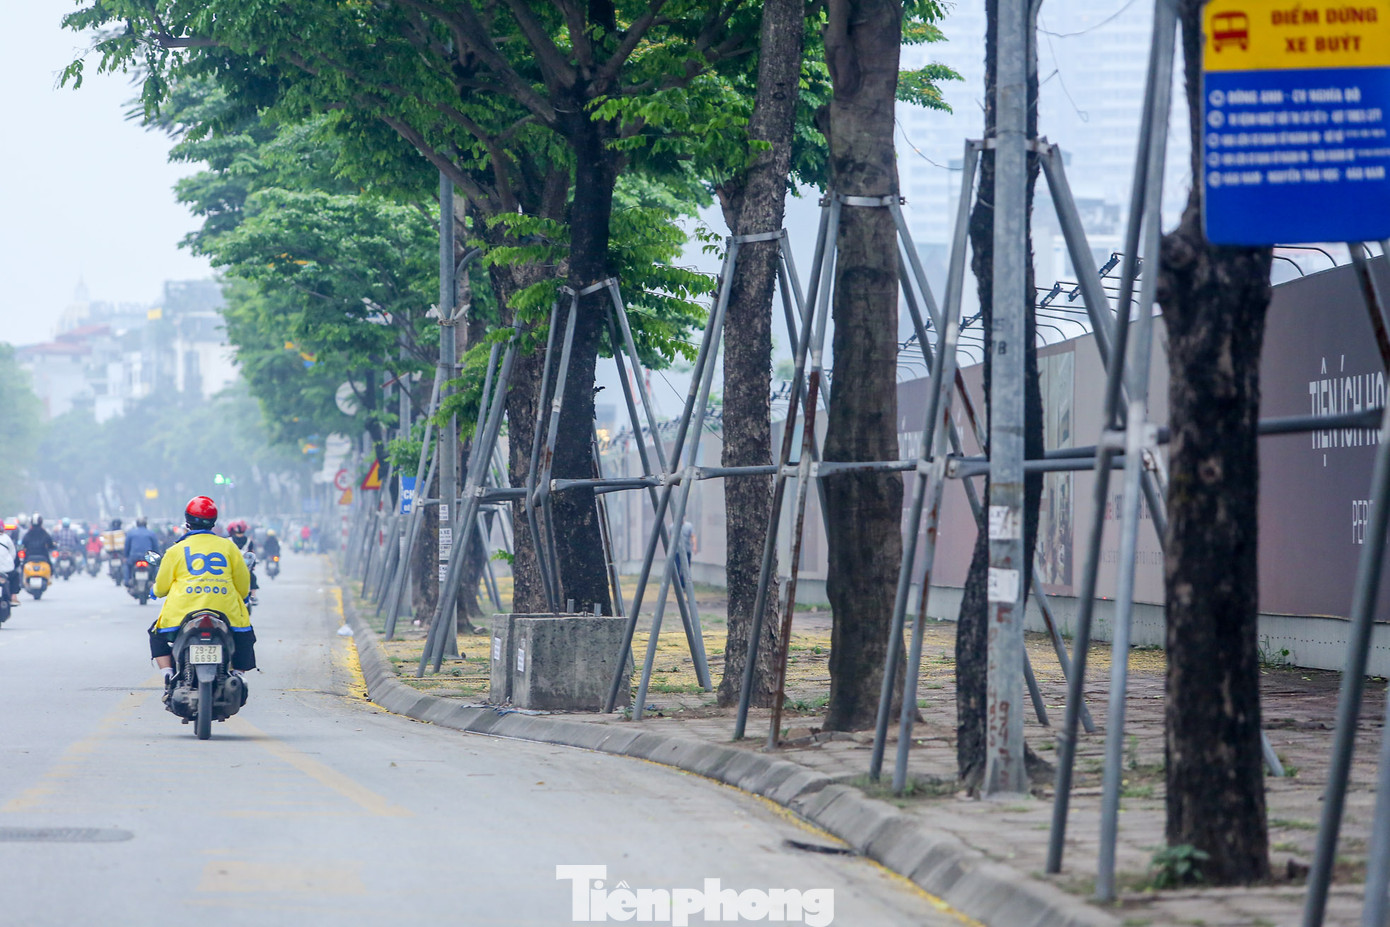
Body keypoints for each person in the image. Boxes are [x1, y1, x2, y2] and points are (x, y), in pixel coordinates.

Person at [150, 496, 256, 695]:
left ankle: (167, 672)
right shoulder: (229, 547)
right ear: (214, 520)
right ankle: (240, 675)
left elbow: (162, 587)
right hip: (226, 612)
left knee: (156, 635)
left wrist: (154, 592)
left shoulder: (175, 550)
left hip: (182, 613)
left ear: (187, 519)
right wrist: (243, 597)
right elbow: (243, 586)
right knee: (245, 636)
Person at [228, 520, 259, 605]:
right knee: (252, 577)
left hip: (231, 567)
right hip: (244, 567)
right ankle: (253, 596)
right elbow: (252, 553)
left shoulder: (228, 540)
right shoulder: (249, 541)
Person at [123, 516, 162, 583]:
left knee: (127, 565)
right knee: (156, 566)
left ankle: (127, 581)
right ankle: (156, 582)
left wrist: (126, 557)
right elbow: (156, 548)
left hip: (134, 557)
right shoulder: (151, 533)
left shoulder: (131, 533)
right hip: (148, 556)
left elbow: (127, 547)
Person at [0, 528, 18, 607]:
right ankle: (13, 596)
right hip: (7, 569)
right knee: (15, 575)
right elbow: (13, 554)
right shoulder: (7, 538)